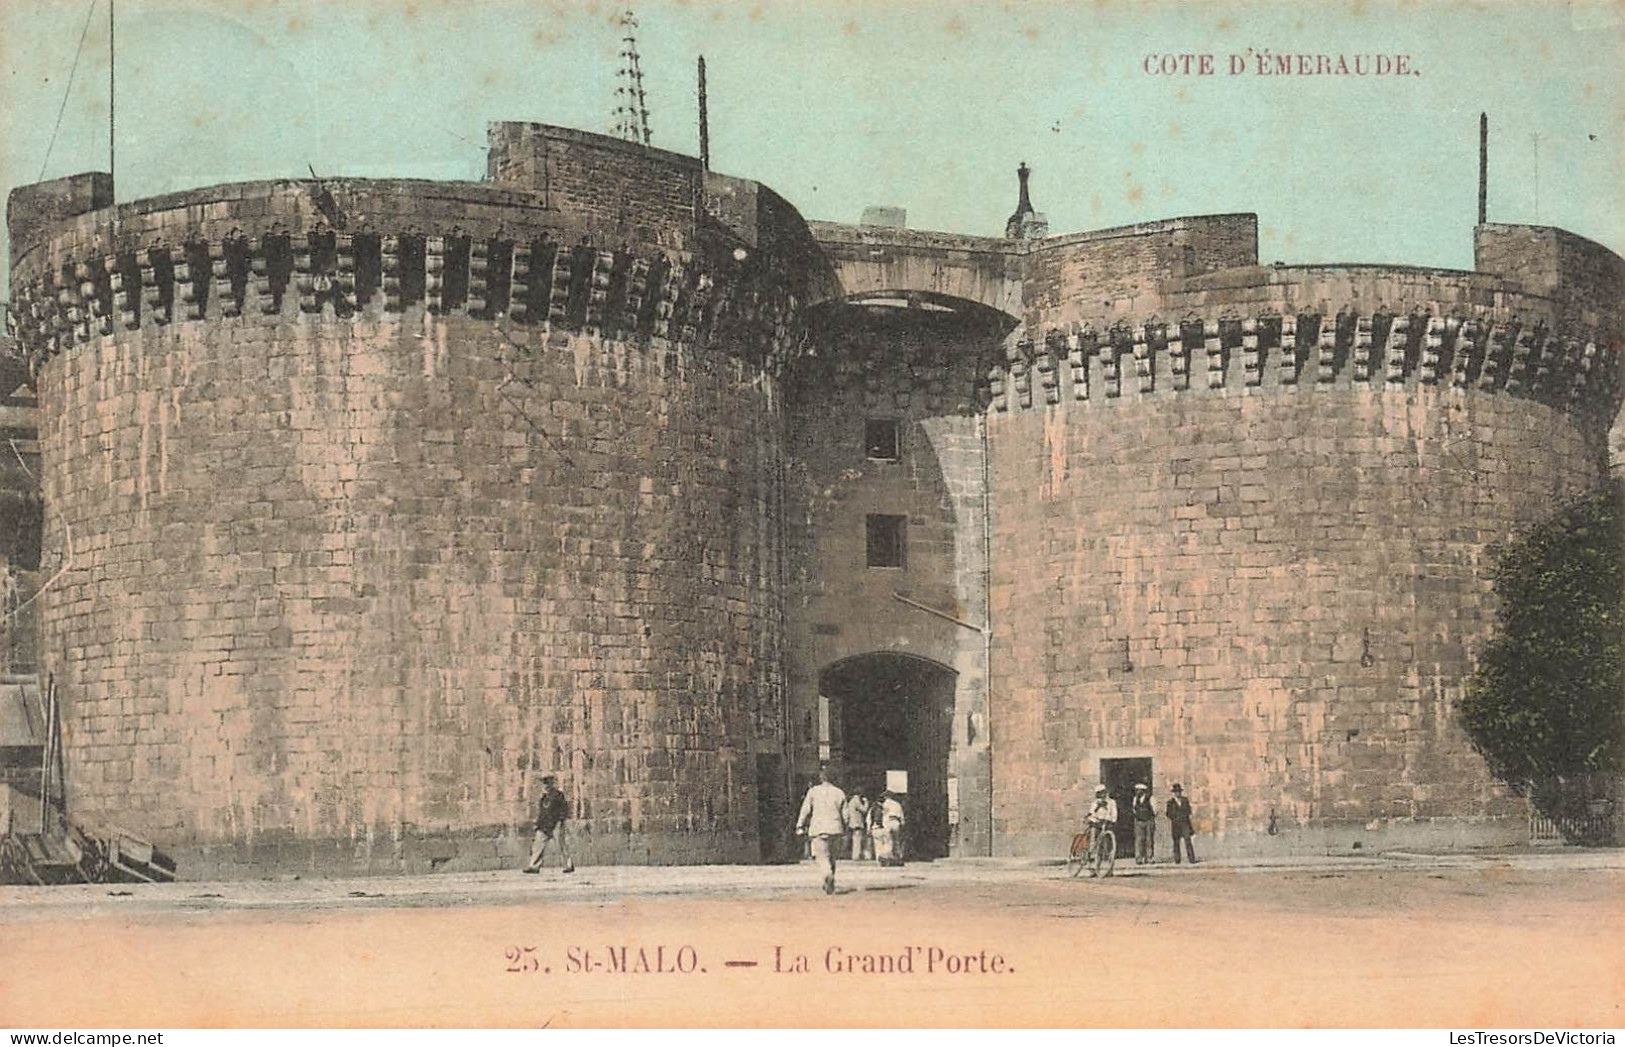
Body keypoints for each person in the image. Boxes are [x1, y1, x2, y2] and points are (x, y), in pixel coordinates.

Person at [796, 765, 848, 894]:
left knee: (822, 857)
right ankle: (830, 883)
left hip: (819, 828)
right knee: (832, 857)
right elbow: (846, 815)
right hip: (836, 828)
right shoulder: (839, 792)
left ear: (821, 777)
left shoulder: (813, 791)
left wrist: (800, 825)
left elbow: (805, 809)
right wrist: (845, 827)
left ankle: (827, 875)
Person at [522, 775, 575, 874]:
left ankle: (568, 865)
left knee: (561, 845)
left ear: (551, 784)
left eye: (547, 783)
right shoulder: (544, 797)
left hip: (555, 824)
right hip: (544, 825)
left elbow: (564, 809)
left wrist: (560, 822)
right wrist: (538, 824)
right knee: (537, 845)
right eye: (544, 783)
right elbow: (542, 812)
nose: (545, 785)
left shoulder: (558, 795)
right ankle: (534, 866)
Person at [1166, 783, 1197, 864]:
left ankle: (1191, 859)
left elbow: (1189, 811)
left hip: (1185, 823)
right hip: (1175, 824)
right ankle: (1177, 859)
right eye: (1176, 792)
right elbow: (1168, 814)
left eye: (1179, 791)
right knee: (1176, 842)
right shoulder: (1170, 802)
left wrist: (1183, 816)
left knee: (1187, 840)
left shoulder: (1185, 800)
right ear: (1174, 793)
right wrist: (1174, 817)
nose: (1178, 793)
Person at [877, 790, 907, 867]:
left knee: (888, 841)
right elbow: (901, 815)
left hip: (887, 822)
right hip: (896, 822)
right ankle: (898, 858)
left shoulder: (884, 804)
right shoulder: (897, 804)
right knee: (896, 841)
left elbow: (881, 815)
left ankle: (887, 857)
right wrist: (902, 824)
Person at [844, 789, 872, 861]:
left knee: (855, 839)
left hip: (852, 822)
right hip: (857, 822)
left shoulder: (851, 801)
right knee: (857, 839)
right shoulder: (856, 800)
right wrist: (866, 802)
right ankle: (856, 855)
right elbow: (864, 810)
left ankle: (855, 854)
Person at [1132, 782, 1156, 865]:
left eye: (1139, 790)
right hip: (1139, 821)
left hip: (1148, 821)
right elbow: (1134, 809)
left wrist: (1150, 817)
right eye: (1137, 790)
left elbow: (1155, 810)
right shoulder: (1135, 799)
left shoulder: (1150, 798)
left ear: (1143, 791)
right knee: (1139, 840)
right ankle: (1139, 858)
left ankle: (1149, 857)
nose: (1138, 792)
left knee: (1149, 839)